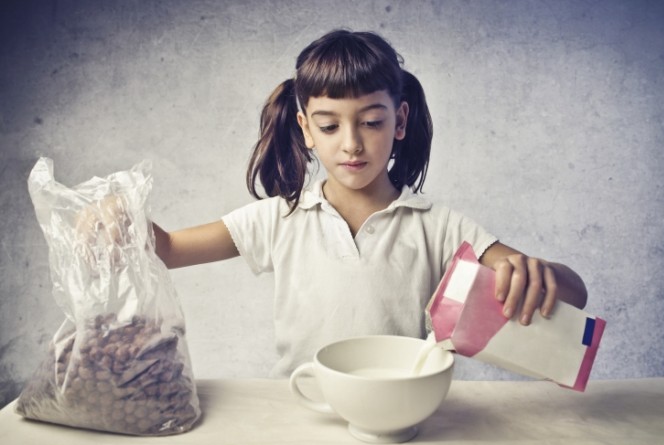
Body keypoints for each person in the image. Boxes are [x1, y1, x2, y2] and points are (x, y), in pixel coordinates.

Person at [145, 29, 587, 376]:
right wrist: (119, 218)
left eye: (371, 121)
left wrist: (539, 273)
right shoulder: (278, 218)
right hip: (299, 409)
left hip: (400, 412)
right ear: (305, 129)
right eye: (330, 126)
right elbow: (166, 249)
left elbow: (575, 295)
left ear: (400, 120)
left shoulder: (441, 228)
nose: (352, 144)